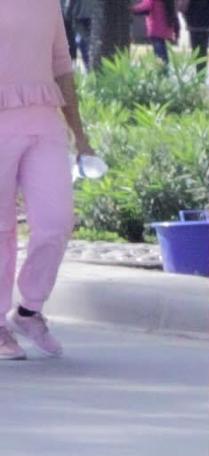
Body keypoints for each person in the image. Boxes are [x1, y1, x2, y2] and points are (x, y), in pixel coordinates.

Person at [0, 0, 93, 361]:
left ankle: (28, 309)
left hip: (44, 121)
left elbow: (62, 67)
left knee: (56, 222)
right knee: (2, 231)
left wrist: (81, 137)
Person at [133, 0, 180, 64]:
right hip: (167, 32)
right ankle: (165, 70)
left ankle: (162, 71)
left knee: (159, 56)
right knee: (164, 54)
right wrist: (176, 32)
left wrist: (131, 9)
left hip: (156, 31)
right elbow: (174, 15)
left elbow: (145, 7)